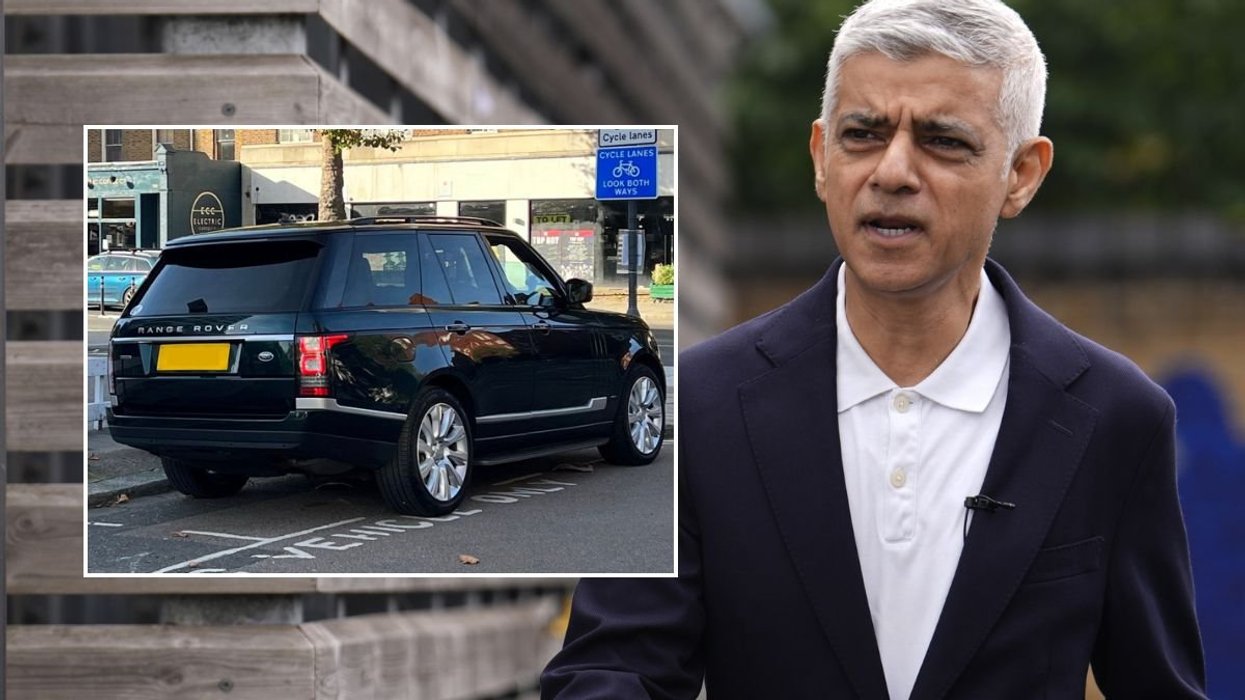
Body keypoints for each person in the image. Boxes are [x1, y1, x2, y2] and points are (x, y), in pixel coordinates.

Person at [541, 0, 1207, 698]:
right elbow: (612, 669)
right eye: (862, 133)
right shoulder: (698, 406)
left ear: (1020, 174)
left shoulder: (1115, 418)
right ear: (820, 157)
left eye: (942, 140)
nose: (891, 171)